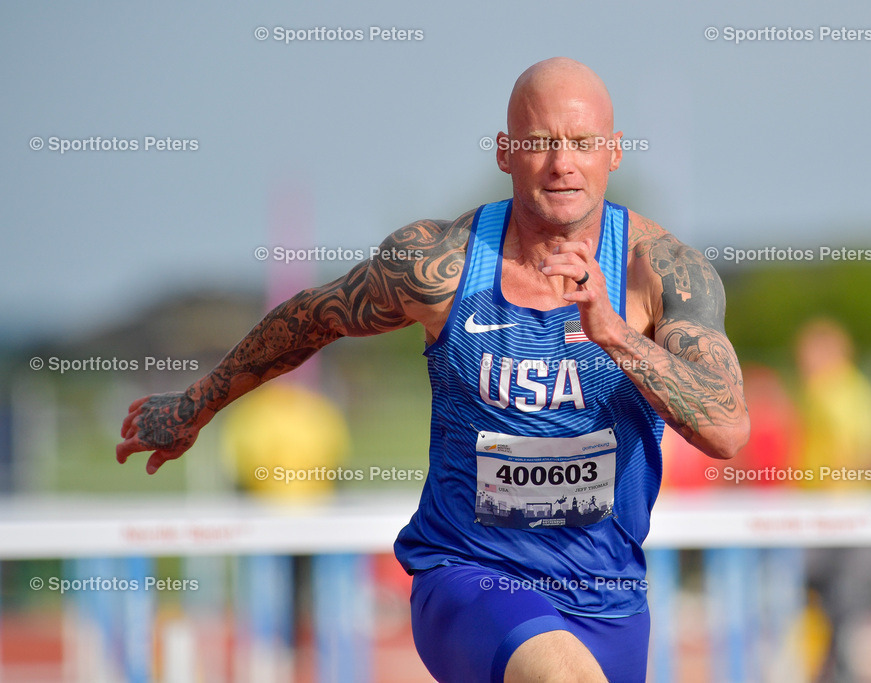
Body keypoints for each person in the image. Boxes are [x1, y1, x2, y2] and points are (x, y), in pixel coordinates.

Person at [116, 57, 749, 683]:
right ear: (505, 152)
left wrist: (611, 333)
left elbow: (726, 430)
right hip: (470, 575)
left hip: (609, 596)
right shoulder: (438, 265)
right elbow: (313, 317)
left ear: (613, 152)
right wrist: (195, 404)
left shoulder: (661, 272)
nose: (562, 164)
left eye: (582, 144)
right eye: (539, 142)